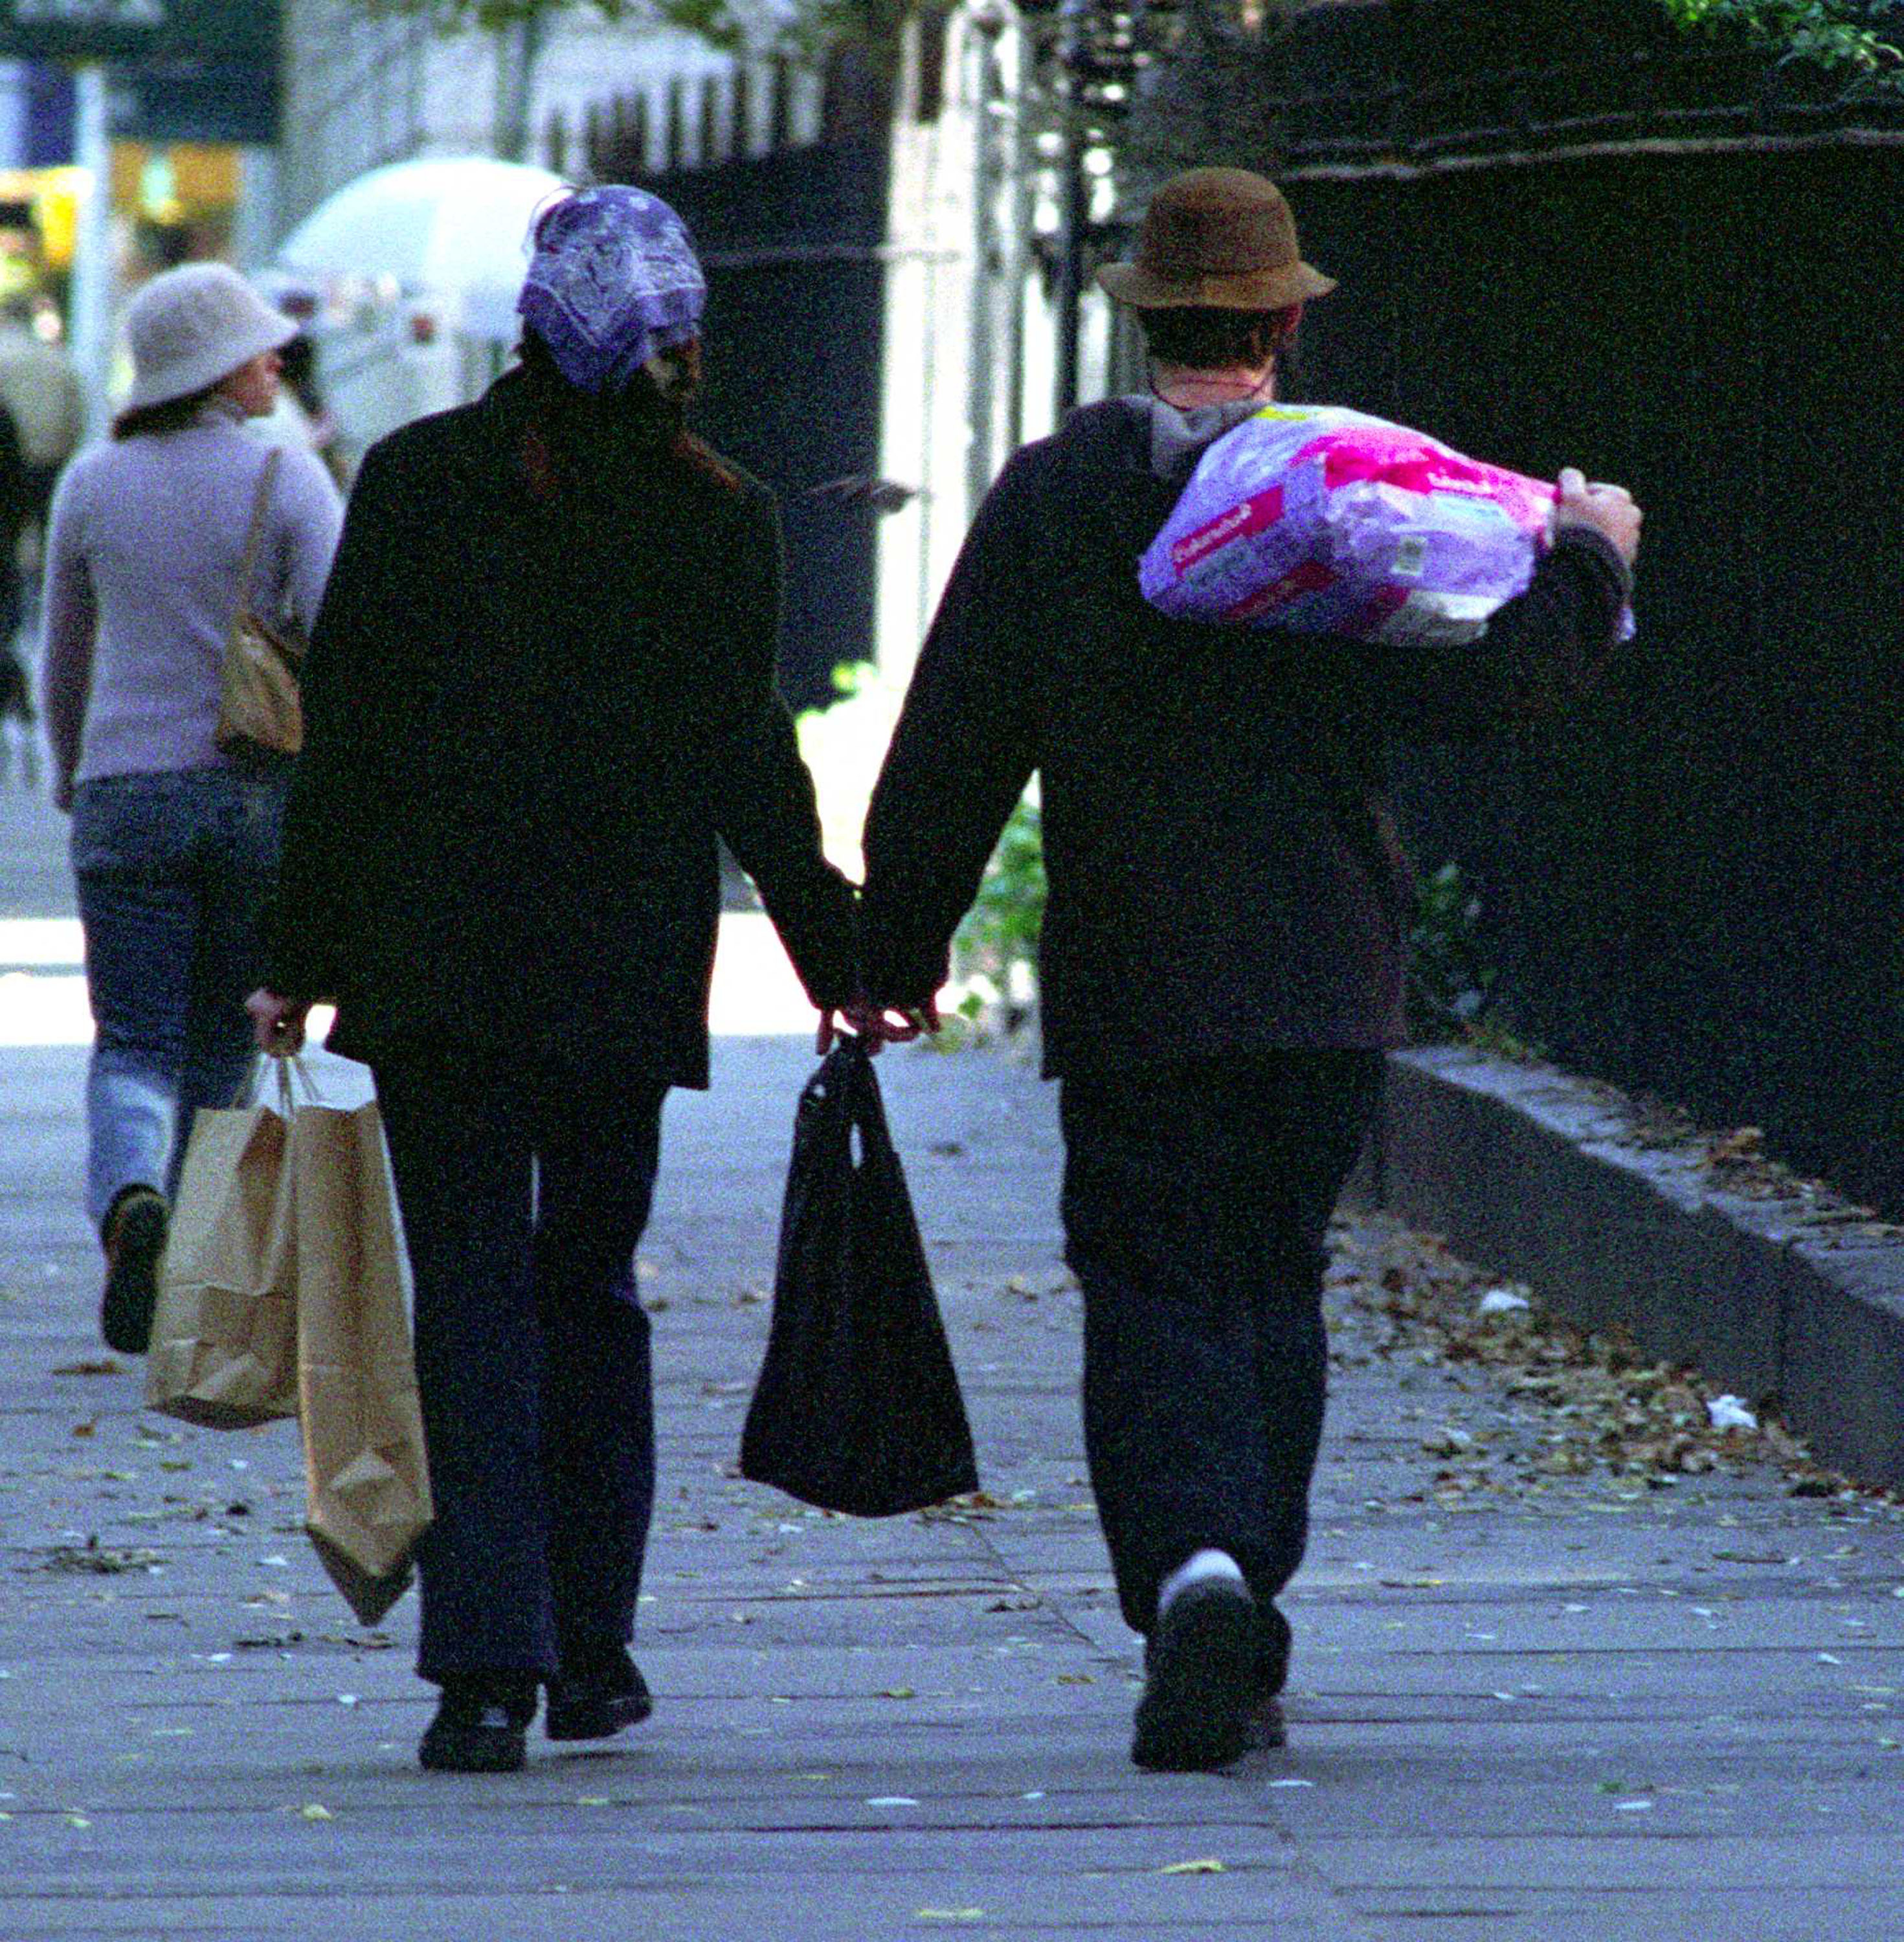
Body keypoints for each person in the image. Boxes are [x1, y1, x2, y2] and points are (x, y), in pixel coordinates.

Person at [853, 168, 1642, 1772]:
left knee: (1148, 1278)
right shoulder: (1352, 493)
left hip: (1137, 967)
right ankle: (1245, 1591)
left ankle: (1192, 1573)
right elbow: (1493, 685)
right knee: (1272, 1277)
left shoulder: (1058, 495)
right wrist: (1593, 559)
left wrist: (896, 945)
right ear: (1283, 324)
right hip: (1319, 972)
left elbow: (956, 736)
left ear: (1141, 317)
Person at [245, 186, 862, 1776]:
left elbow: (352, 746)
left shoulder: (422, 483)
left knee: (466, 1303)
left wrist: (296, 964)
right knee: (589, 1291)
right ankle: (593, 1652)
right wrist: (842, 954)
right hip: (617, 976)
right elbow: (750, 761)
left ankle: (484, 1671)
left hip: (439, 970)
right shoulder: (716, 511)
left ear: (530, 323)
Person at [39, 263, 343, 1356]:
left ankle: (131, 1202)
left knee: (131, 1037)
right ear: (219, 367)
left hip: (126, 796)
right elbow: (345, 633)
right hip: (256, 789)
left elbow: (65, 657)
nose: (277, 363)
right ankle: (192, 1278)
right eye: (261, 350)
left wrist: (77, 773)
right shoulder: (290, 475)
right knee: (223, 1043)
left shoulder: (93, 481)